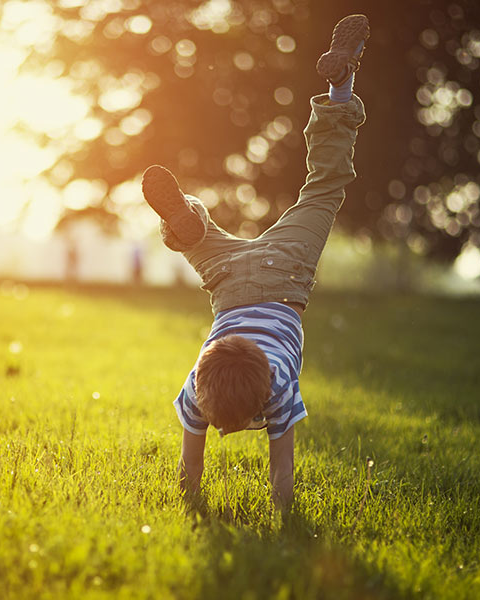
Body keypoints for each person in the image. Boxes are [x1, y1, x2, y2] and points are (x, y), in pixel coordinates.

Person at [142, 14, 370, 512]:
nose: (222, 430)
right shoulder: (199, 387)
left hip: (283, 272)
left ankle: (187, 222)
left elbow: (196, 471)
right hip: (228, 279)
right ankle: (188, 224)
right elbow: (276, 473)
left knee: (324, 189)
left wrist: (193, 506)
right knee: (208, 236)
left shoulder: (272, 388)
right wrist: (275, 512)